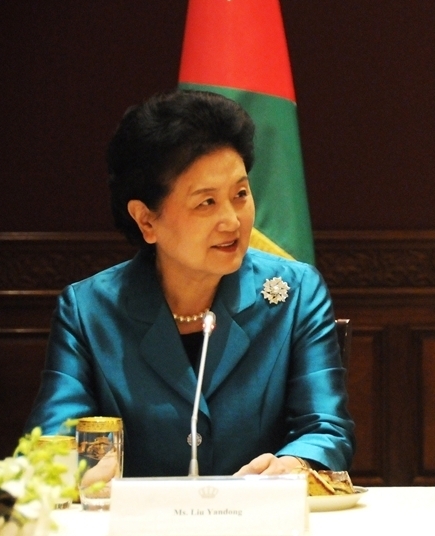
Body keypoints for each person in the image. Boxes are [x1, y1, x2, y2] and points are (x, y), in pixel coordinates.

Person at [26, 90, 355, 477]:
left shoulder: (296, 294)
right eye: (206, 202)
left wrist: (292, 465)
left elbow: (326, 428)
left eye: (240, 194)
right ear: (146, 220)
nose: (232, 220)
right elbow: (53, 441)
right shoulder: (89, 311)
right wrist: (80, 471)